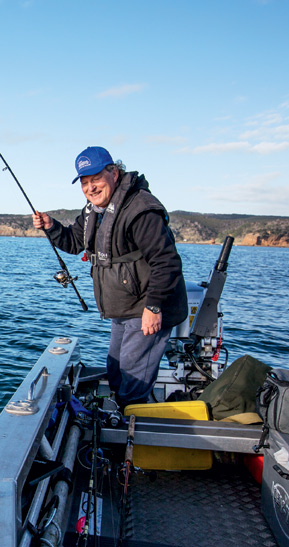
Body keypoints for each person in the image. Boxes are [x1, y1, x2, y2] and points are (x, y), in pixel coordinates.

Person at [33, 146, 188, 406]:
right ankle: (123, 418)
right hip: (123, 308)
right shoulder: (93, 210)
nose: (90, 188)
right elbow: (74, 242)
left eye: (95, 180)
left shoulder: (141, 209)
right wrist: (52, 227)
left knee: (133, 380)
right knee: (116, 372)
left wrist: (154, 305)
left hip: (147, 309)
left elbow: (166, 261)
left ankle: (133, 433)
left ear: (114, 173)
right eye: (84, 183)